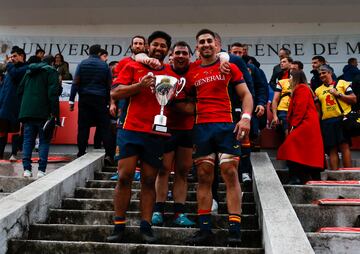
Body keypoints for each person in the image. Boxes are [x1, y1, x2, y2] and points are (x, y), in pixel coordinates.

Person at [107, 31, 176, 244]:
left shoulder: (170, 72)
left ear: (167, 50)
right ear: (148, 46)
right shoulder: (132, 66)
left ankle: (145, 226)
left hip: (156, 132)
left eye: (163, 46)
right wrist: (140, 85)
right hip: (130, 129)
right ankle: (119, 225)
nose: (158, 48)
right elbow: (116, 93)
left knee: (148, 180)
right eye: (155, 44)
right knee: (124, 177)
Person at [186, 29, 253, 246]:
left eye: (209, 41)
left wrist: (245, 118)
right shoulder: (191, 70)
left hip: (226, 126)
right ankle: (205, 229)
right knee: (204, 176)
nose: (205, 44)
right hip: (201, 128)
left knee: (230, 172)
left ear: (217, 45)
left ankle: (235, 229)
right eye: (201, 42)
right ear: (197, 47)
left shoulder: (229, 66)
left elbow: (246, 95)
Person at [151, 41, 195, 227]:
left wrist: (177, 103)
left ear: (190, 56)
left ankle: (179, 212)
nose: (181, 56)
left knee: (183, 171)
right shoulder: (164, 71)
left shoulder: (195, 71)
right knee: (163, 170)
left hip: (187, 129)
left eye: (184, 53)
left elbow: (193, 107)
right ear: (171, 54)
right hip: (165, 127)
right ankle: (157, 210)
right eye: (177, 52)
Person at [277, 70, 324, 184]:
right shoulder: (305, 88)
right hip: (307, 123)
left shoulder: (301, 88)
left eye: (291, 77)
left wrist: (294, 125)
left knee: (290, 146)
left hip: (304, 123)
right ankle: (300, 176)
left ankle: (295, 177)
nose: (289, 80)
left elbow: (300, 108)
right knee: (304, 151)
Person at [69, 44, 114, 165]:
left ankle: (81, 152)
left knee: (83, 127)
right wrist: (110, 102)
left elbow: (75, 83)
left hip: (85, 99)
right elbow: (109, 85)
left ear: (89, 52)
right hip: (100, 99)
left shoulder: (82, 64)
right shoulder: (104, 66)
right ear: (99, 53)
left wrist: (71, 100)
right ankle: (109, 155)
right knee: (105, 127)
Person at [17, 55, 60, 178]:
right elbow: (53, 94)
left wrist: (25, 106)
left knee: (28, 140)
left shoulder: (29, 71)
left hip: (27, 112)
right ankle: (41, 170)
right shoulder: (51, 71)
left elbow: (19, 90)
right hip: (44, 112)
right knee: (44, 140)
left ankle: (26, 169)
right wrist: (55, 113)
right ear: (52, 63)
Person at [314, 64, 356, 170]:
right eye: (320, 74)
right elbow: (318, 110)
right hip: (327, 122)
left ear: (330, 73)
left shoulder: (342, 83)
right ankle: (335, 175)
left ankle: (348, 174)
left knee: (344, 146)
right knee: (332, 149)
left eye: (324, 73)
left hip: (341, 119)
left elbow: (354, 99)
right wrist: (317, 125)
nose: (321, 75)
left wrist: (338, 94)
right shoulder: (318, 90)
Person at [0, 46, 28, 160]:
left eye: (15, 56)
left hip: (16, 106)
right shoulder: (9, 71)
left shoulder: (25, 68)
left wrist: (8, 64)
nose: (12, 59)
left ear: (22, 56)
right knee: (1, 131)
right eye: (11, 56)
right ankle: (0, 154)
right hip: (4, 106)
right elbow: (3, 88)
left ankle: (14, 154)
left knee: (15, 131)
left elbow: (16, 74)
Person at [271, 57, 296, 138]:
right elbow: (275, 99)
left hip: (296, 109)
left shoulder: (302, 83)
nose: (281, 63)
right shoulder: (279, 76)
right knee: (286, 130)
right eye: (281, 62)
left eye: (284, 62)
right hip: (283, 108)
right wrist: (275, 116)